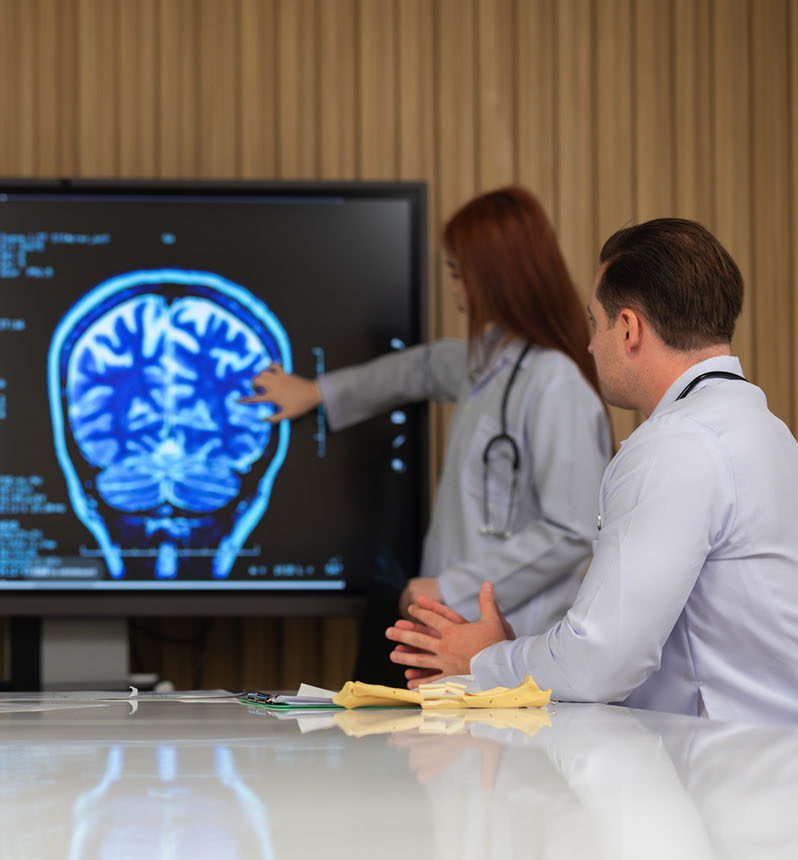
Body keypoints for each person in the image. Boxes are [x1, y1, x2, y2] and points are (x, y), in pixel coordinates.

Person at [388, 219, 798, 731]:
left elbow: (599, 665)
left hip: (742, 773)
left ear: (628, 329)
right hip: (793, 759)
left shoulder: (676, 445)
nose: (588, 346)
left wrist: (485, 659)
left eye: (595, 324)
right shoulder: (761, 427)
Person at [242, 187, 612, 638]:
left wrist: (449, 588)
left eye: (458, 274)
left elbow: (571, 533)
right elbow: (416, 368)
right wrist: (318, 391)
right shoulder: (488, 360)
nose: (454, 290)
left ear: (498, 278)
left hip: (515, 643)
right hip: (461, 640)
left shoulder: (554, 383)